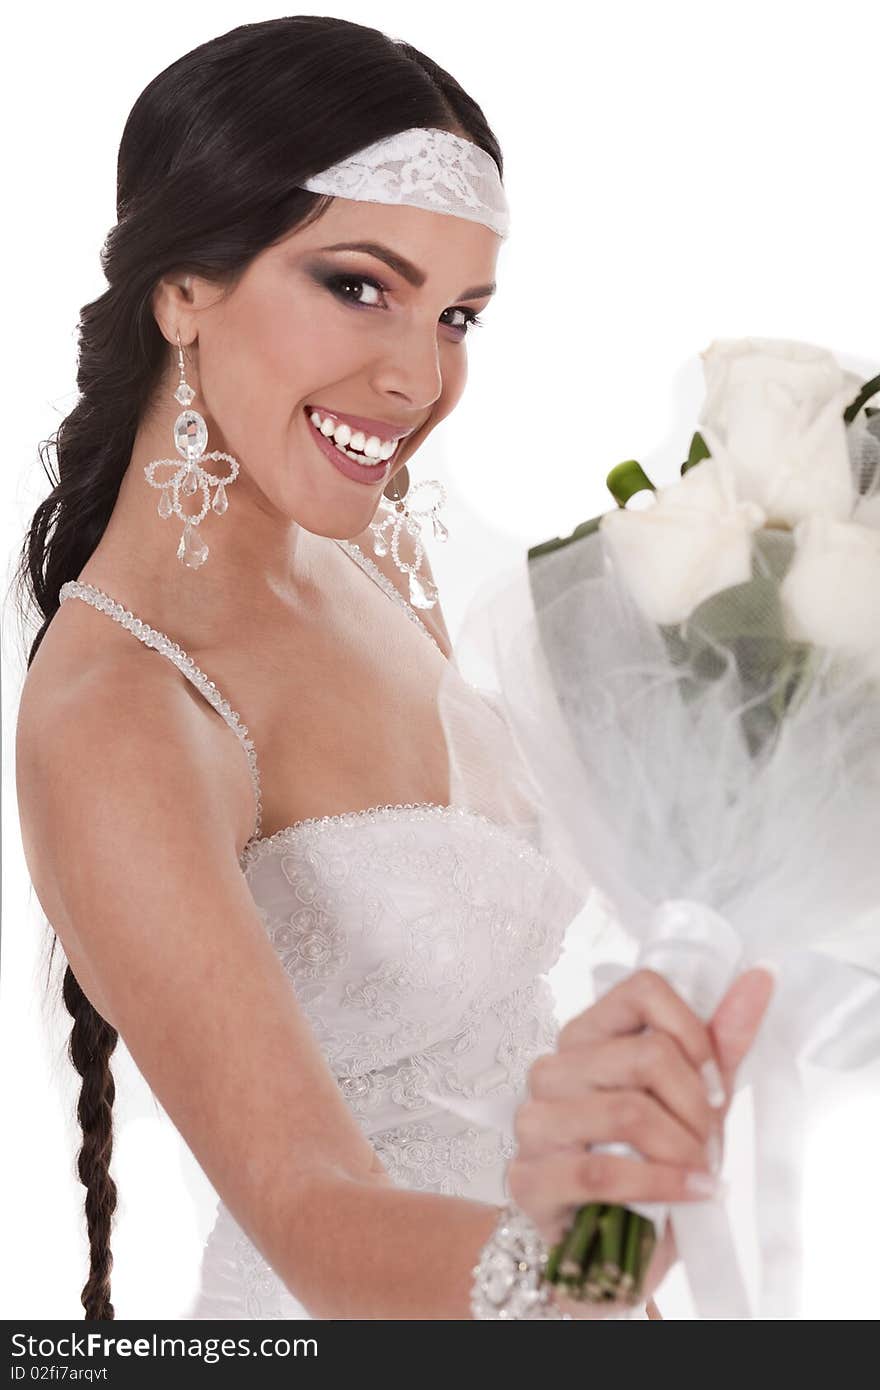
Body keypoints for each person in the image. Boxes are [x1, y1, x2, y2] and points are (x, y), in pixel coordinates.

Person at [13, 15, 773, 1321]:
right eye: (360, 286)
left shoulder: (379, 547)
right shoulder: (123, 714)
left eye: (459, 313)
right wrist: (598, 1251)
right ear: (184, 286)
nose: (419, 375)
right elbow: (314, 1222)